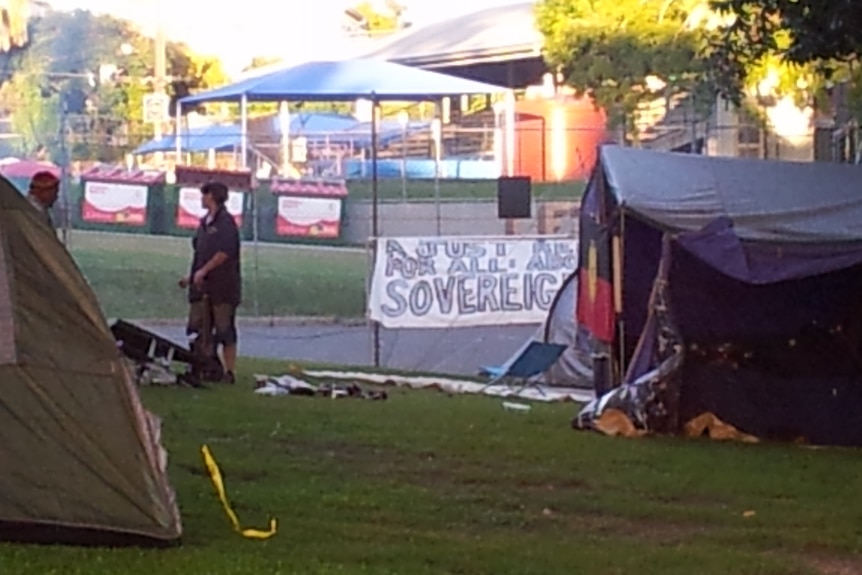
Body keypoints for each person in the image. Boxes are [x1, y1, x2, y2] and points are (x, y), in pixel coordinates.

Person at [179, 181, 241, 384]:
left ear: (212, 196)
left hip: (222, 286)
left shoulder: (226, 223)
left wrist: (205, 271)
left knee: (224, 329)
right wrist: (191, 277)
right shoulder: (204, 223)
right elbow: (200, 253)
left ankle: (230, 372)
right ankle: (204, 366)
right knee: (197, 327)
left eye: (204, 195)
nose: (201, 199)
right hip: (200, 286)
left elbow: (224, 252)